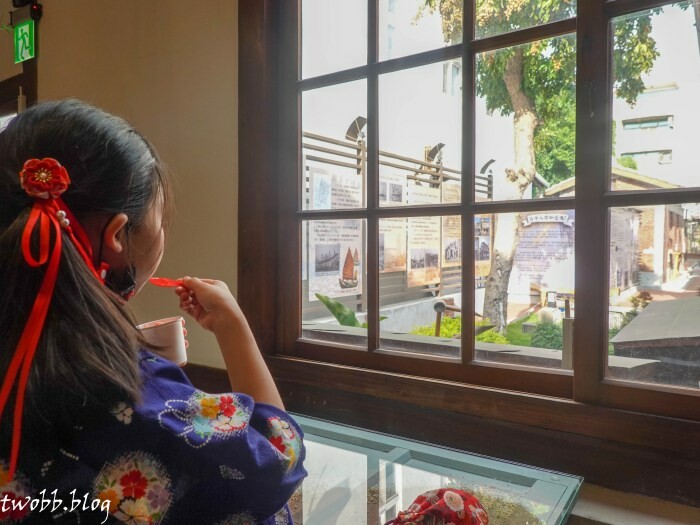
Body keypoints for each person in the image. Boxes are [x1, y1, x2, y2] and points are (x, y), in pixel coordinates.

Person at [0, 99, 306, 524]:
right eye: (159, 221)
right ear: (116, 236)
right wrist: (234, 329)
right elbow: (277, 456)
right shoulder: (130, 394)